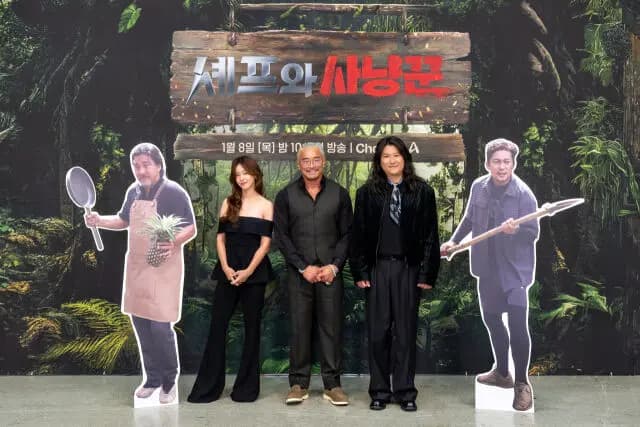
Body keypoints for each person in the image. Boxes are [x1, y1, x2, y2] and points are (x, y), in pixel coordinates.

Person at [85, 142, 196, 405]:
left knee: (160, 327)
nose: (141, 170)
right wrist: (99, 221)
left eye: (146, 164)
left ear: (159, 165)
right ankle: (152, 379)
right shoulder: (133, 192)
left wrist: (174, 241)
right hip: (137, 267)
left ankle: (169, 381)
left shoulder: (173, 192)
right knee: (141, 326)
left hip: (163, 268)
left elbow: (191, 227)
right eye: (136, 165)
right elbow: (123, 221)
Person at [440, 138, 539, 411]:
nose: (502, 166)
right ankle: (502, 373)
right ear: (487, 164)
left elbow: (533, 232)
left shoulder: (524, 194)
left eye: (507, 161)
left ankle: (522, 383)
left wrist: (516, 230)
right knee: (492, 320)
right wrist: (454, 241)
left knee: (517, 324)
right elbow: (470, 219)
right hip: (487, 267)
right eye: (497, 161)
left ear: (513, 164)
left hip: (515, 271)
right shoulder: (478, 187)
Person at [350, 136, 440, 412]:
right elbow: (358, 236)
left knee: (405, 332)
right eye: (386, 156)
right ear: (379, 161)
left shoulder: (422, 191)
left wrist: (426, 273)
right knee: (378, 333)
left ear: (405, 158)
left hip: (408, 269)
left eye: (396, 155)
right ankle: (379, 391)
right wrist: (361, 270)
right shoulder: (367, 193)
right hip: (377, 269)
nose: (391, 161)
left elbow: (430, 235)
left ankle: (405, 391)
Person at [188, 156, 274, 403]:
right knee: (218, 327)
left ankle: (246, 389)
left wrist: (247, 271)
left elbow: (265, 245)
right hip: (227, 272)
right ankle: (208, 388)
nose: (242, 178)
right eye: (237, 174)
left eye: (245, 173)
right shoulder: (228, 202)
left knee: (252, 329)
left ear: (255, 175)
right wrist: (226, 268)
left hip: (255, 274)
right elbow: (220, 239)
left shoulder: (266, 205)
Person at [273, 144, 353, 406]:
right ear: (299, 165)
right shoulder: (285, 196)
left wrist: (334, 266)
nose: (311, 165)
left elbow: (347, 235)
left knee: (331, 328)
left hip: (330, 274)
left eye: (316, 160)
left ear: (323, 162)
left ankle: (333, 385)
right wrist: (302, 266)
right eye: (305, 161)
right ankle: (298, 384)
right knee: (299, 328)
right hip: (300, 275)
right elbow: (282, 236)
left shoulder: (339, 194)